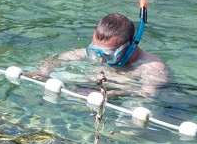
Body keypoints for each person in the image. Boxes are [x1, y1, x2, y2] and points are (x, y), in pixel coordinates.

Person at [33, 5, 169, 95]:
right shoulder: (99, 52)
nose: (99, 60)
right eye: (95, 52)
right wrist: (44, 71)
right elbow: (57, 59)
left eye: (107, 55)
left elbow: (148, 94)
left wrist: (114, 93)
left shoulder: (152, 66)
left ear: (130, 47)